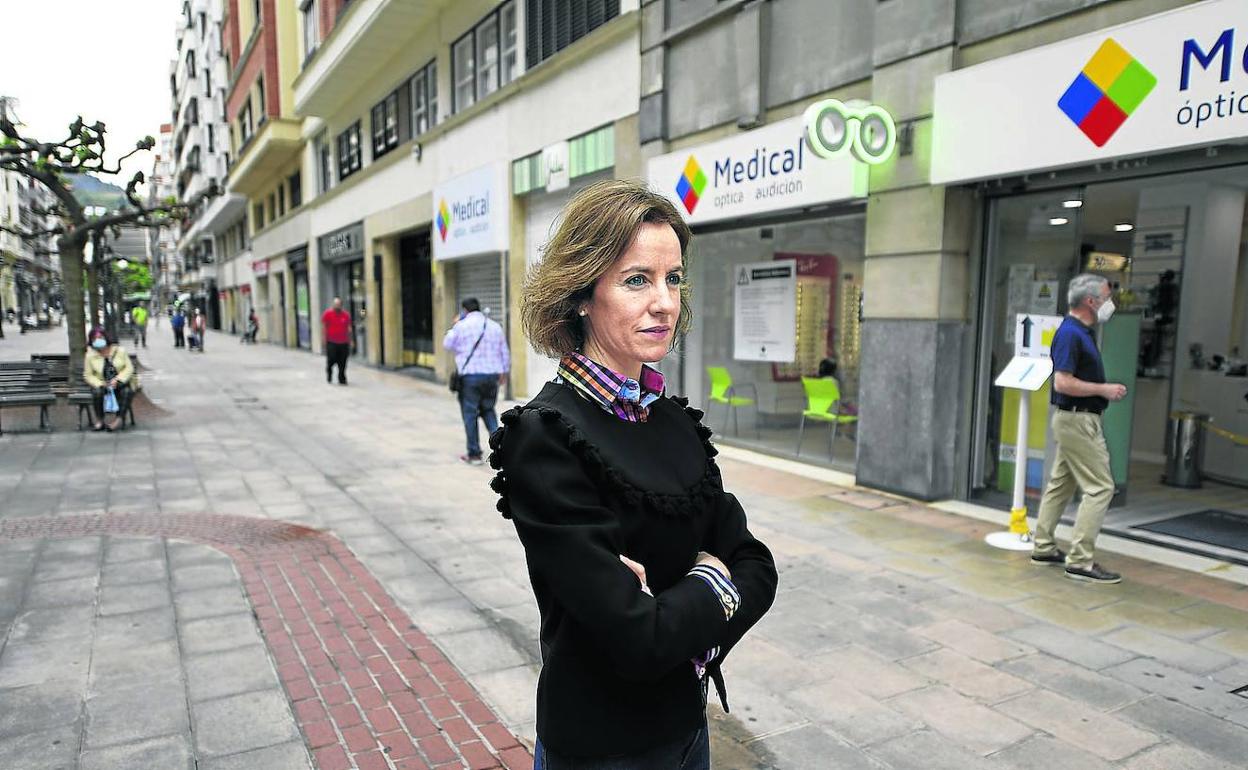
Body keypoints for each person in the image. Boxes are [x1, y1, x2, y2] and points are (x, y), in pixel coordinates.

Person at [489, 180, 777, 768]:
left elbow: (759, 565)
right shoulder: (546, 437)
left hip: (689, 727)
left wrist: (677, 600)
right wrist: (715, 579)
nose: (664, 301)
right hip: (601, 748)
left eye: (672, 278)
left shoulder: (673, 420)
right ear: (580, 294)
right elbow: (637, 640)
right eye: (636, 279)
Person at [1031, 273, 1128, 584]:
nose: (1109, 303)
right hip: (1079, 420)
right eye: (1106, 297)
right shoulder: (1073, 334)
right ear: (1091, 301)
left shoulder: (1077, 332)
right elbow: (1062, 382)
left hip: (1072, 419)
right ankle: (1081, 561)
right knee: (1101, 487)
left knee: (1061, 484)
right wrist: (1103, 389)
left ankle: (1043, 546)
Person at [443, 298, 509, 465]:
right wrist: (504, 372)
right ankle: (502, 450)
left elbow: (447, 344)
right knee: (488, 410)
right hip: (491, 376)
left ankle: (474, 454)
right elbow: (504, 351)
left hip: (470, 377)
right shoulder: (494, 326)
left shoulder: (461, 326)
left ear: (465, 310)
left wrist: (455, 324)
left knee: (470, 415)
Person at [83, 327, 134, 432]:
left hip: (119, 383)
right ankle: (100, 420)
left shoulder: (120, 351)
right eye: (94, 339)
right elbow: (88, 375)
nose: (98, 340)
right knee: (97, 392)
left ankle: (118, 420)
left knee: (127, 391)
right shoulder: (90, 356)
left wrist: (118, 380)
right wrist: (100, 384)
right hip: (103, 384)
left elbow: (129, 368)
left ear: (106, 337)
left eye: (100, 337)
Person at [322, 297, 353, 384]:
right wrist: (324, 339)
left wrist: (351, 340)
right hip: (331, 342)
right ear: (333, 305)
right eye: (335, 304)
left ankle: (341, 378)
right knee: (331, 360)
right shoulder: (327, 314)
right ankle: (329, 373)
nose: (337, 306)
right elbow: (324, 327)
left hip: (343, 342)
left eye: (338, 304)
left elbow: (349, 327)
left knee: (343, 361)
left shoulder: (346, 315)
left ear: (341, 305)